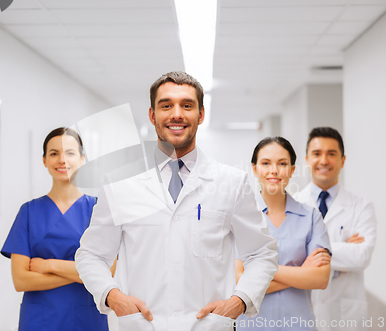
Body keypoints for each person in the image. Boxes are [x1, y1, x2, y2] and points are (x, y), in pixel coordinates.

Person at [75, 71, 278, 331]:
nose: (177, 114)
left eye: (187, 105)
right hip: (142, 325)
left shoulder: (231, 182)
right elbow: (91, 254)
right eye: (166, 105)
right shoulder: (120, 183)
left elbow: (261, 253)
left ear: (201, 115)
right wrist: (113, 296)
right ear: (152, 115)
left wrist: (239, 301)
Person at [1, 127, 111, 331]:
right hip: (39, 320)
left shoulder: (99, 210)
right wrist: (83, 274)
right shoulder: (28, 212)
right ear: (44, 160)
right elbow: (21, 280)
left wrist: (50, 265)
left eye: (70, 153)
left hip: (86, 316)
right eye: (54, 153)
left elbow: (108, 273)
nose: (62, 160)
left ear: (82, 159)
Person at [236, 137, 332, 331]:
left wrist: (258, 271)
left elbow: (320, 278)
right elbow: (239, 280)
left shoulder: (311, 217)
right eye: (265, 163)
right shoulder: (240, 217)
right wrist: (302, 273)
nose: (274, 170)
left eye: (282, 163)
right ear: (254, 169)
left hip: (299, 324)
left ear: (292, 170)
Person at [293, 127, 377, 331]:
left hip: (345, 314)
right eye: (317, 154)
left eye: (331, 154)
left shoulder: (361, 206)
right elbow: (285, 256)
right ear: (307, 159)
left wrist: (310, 250)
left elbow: (361, 256)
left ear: (342, 160)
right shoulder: (292, 205)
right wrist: (342, 248)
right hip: (301, 309)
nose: (323, 161)